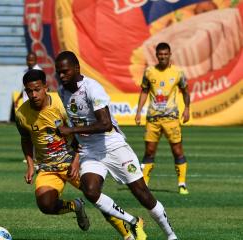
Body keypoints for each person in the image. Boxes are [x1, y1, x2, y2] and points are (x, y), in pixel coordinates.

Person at [55, 51, 178, 240]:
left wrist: (71, 132)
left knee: (141, 193)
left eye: (65, 71)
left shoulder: (92, 88)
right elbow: (76, 122)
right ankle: (133, 221)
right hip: (90, 151)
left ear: (76, 68)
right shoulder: (62, 91)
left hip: (112, 145)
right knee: (90, 191)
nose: (61, 76)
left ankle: (171, 235)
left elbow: (105, 124)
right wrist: (74, 145)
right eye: (58, 72)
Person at [15, 69, 138, 240]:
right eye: (29, 91)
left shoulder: (61, 104)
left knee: (95, 197)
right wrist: (30, 165)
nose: (33, 94)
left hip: (74, 161)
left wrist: (76, 161)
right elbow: (25, 139)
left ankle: (128, 235)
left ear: (45, 87)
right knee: (45, 204)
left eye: (37, 89)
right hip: (48, 167)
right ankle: (75, 206)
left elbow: (81, 133)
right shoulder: (21, 113)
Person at [135, 42, 190, 195]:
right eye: (160, 54)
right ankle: (144, 184)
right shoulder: (149, 72)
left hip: (171, 118)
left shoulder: (178, 73)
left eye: (166, 54)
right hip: (153, 119)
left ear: (170, 54)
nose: (163, 57)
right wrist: (138, 111)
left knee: (177, 150)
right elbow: (144, 91)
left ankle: (182, 184)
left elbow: (185, 91)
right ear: (157, 55)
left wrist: (187, 108)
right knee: (149, 151)